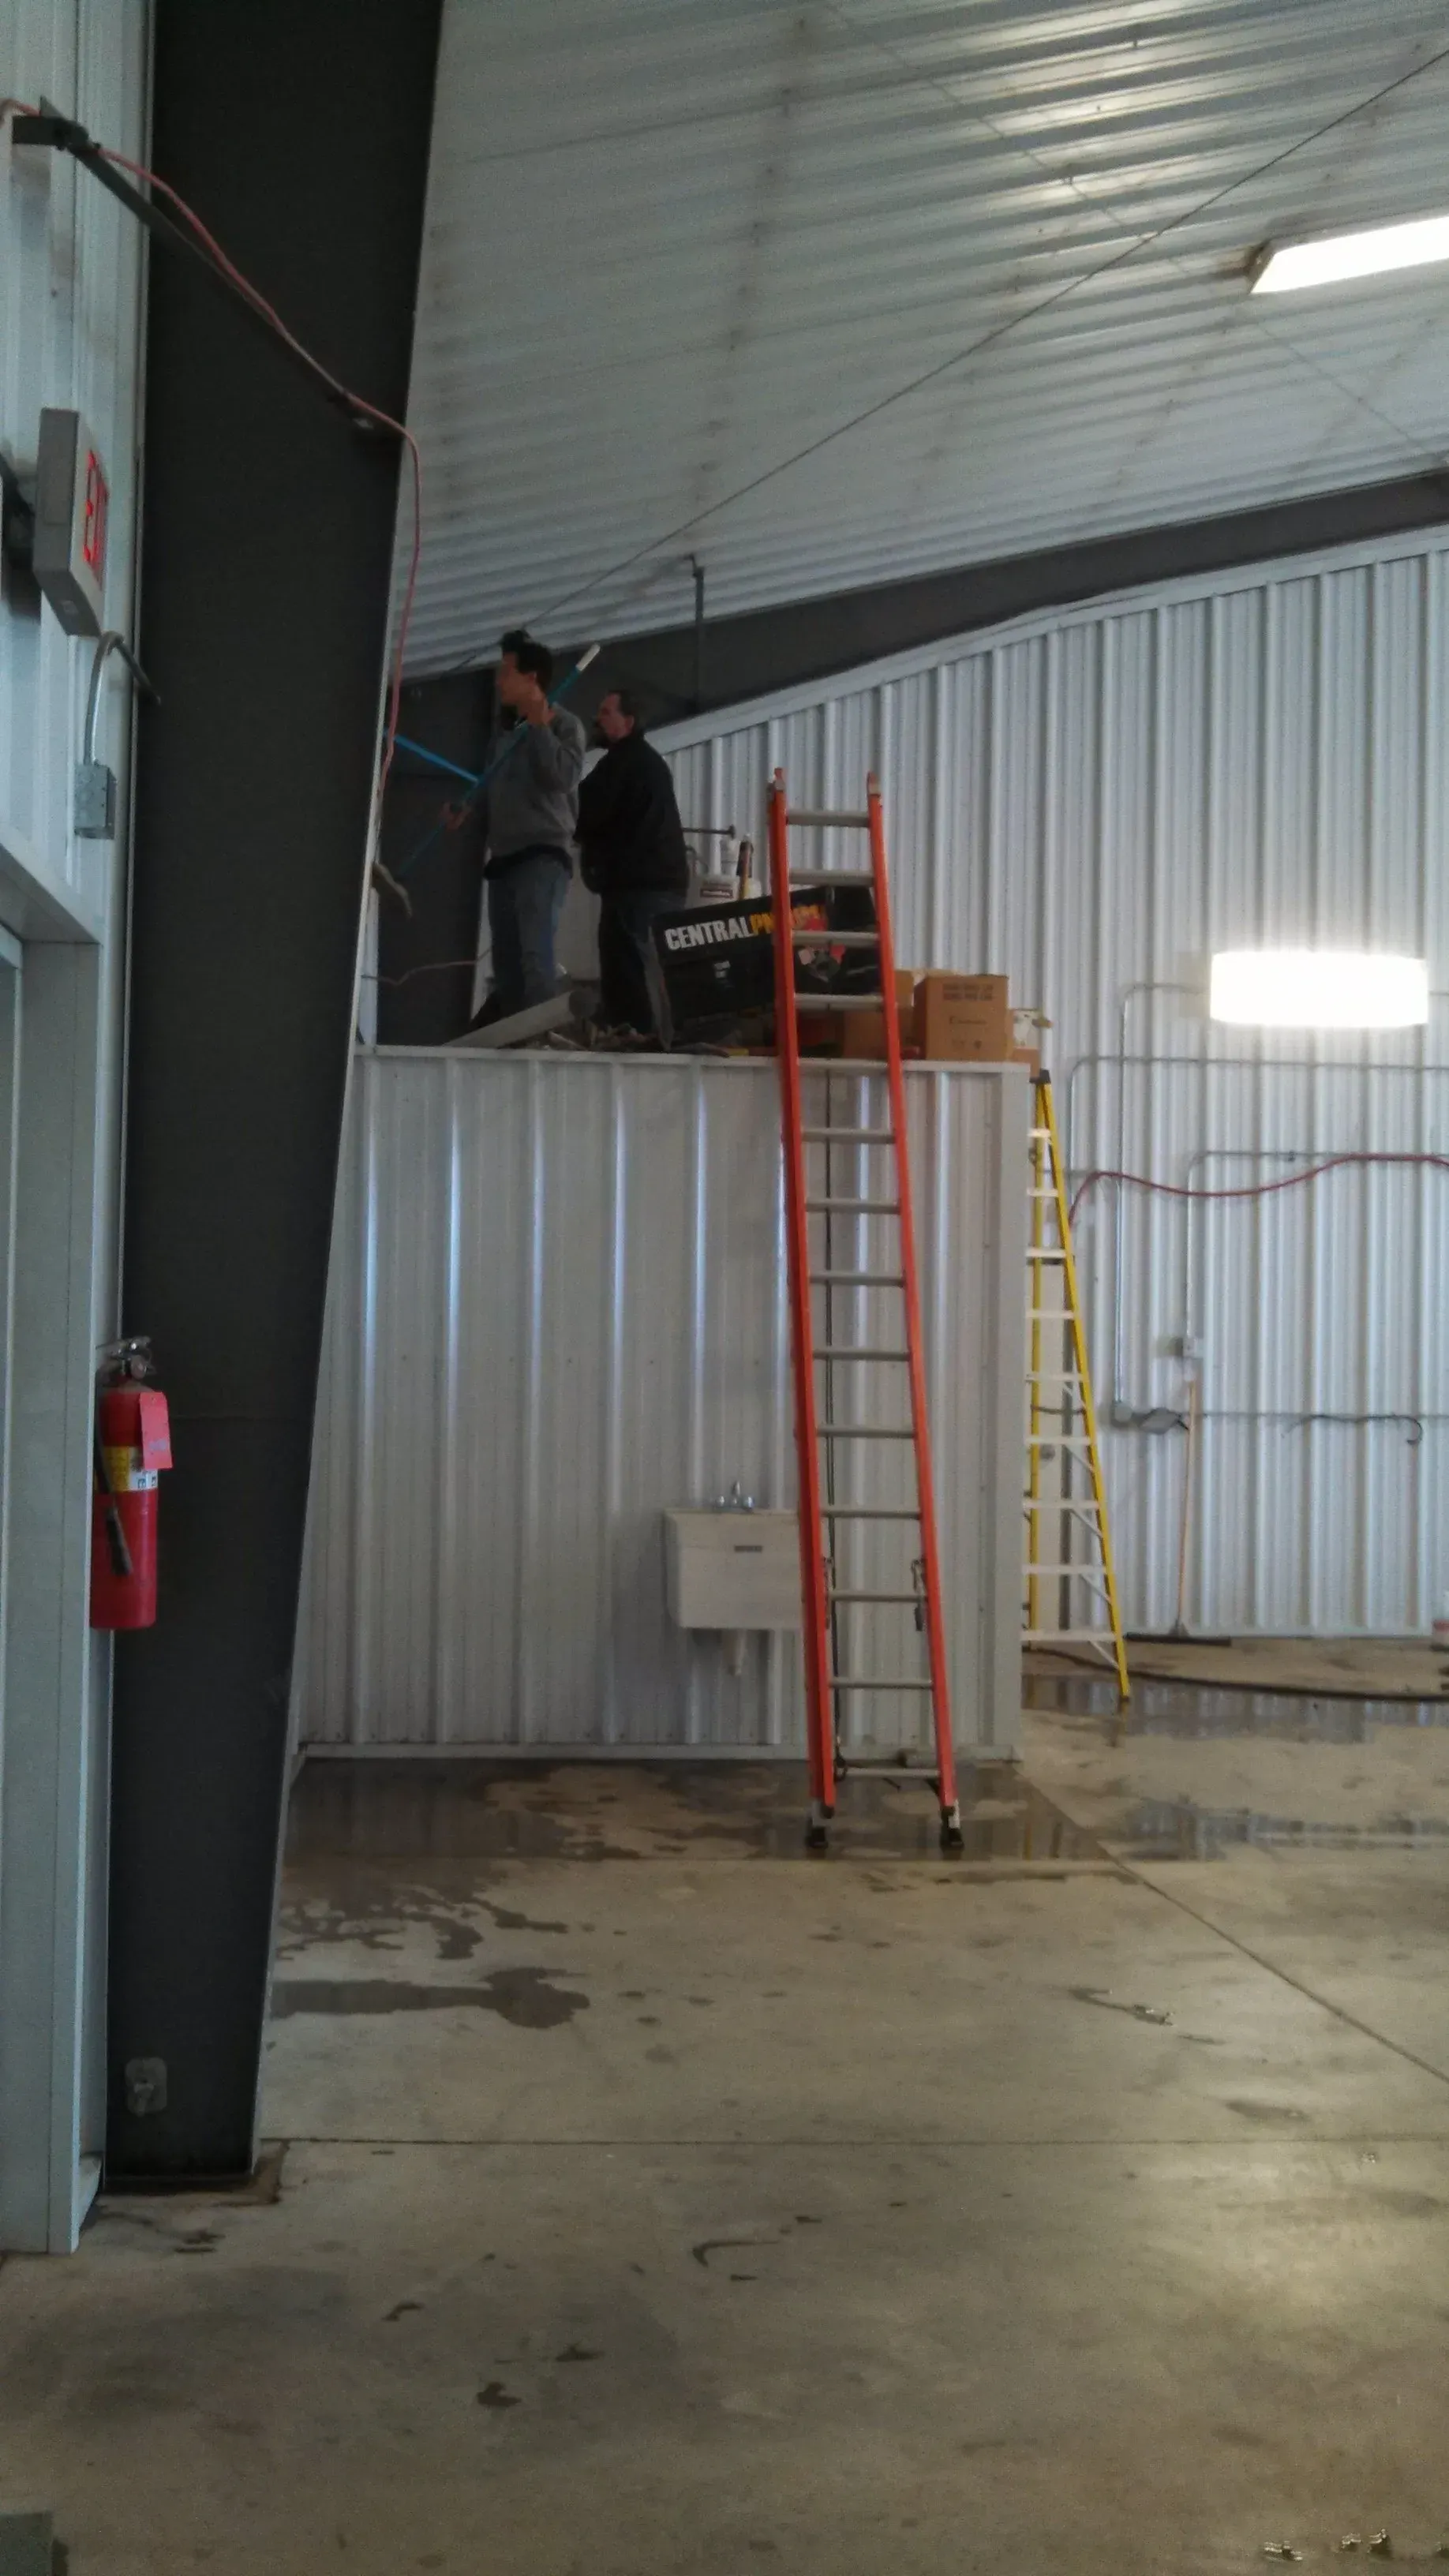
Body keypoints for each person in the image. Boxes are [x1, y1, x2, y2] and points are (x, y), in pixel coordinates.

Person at [478, 632, 586, 1020]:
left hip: (542, 855)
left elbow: (562, 777)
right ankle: (513, 1040)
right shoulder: (504, 736)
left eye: (507, 672)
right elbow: (491, 791)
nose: (499, 681)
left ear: (532, 678)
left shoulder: (564, 726)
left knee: (535, 957)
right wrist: (466, 809)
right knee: (506, 967)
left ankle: (541, 1039)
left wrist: (541, 729)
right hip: (504, 858)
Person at [576, 688, 689, 1036]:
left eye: (606, 712)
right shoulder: (642, 762)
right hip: (652, 885)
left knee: (629, 970)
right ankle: (648, 1037)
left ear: (629, 721)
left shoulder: (623, 764)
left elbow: (583, 810)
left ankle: (640, 1042)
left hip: (640, 888)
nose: (599, 719)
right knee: (641, 968)